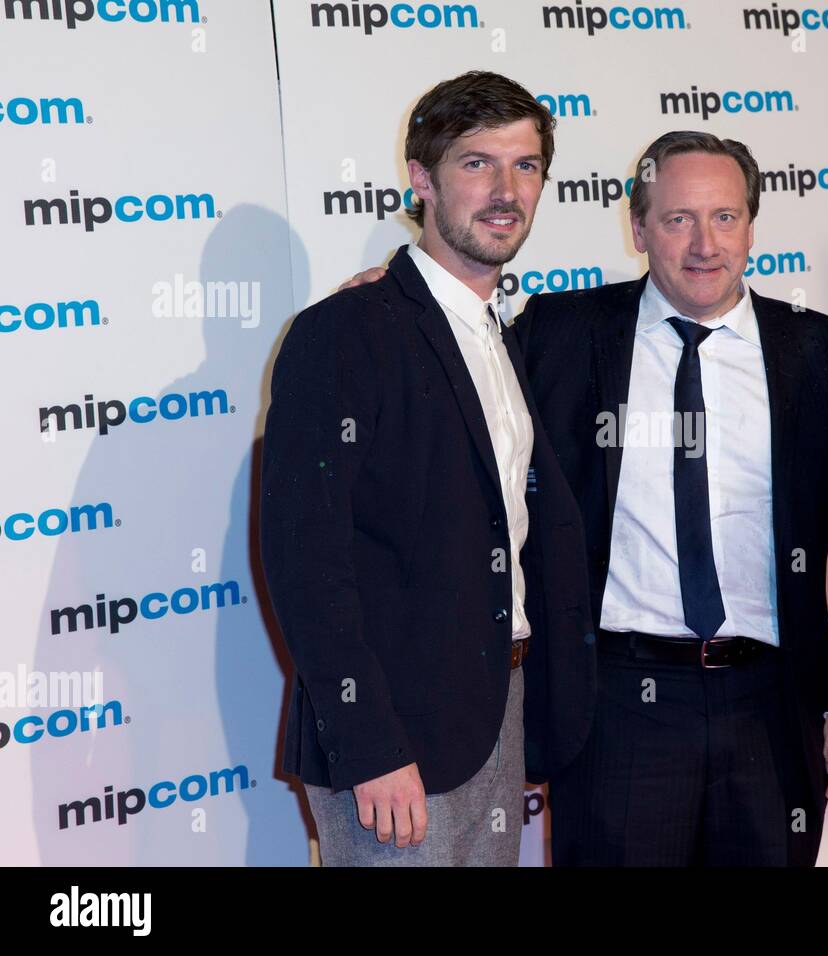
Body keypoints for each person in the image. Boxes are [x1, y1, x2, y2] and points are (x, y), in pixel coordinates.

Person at [345, 130, 828, 866]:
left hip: (775, 708)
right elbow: (454, 368)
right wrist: (379, 312)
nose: (704, 244)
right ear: (638, 229)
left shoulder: (825, 354)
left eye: (725, 218)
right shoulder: (560, 335)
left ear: (751, 227)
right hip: (616, 710)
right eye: (677, 220)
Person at [260, 71, 594, 866]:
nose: (507, 190)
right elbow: (306, 559)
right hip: (392, 734)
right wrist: (368, 744)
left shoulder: (504, 335)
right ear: (422, 177)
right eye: (478, 164)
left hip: (497, 714)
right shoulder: (344, 333)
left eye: (526, 166)